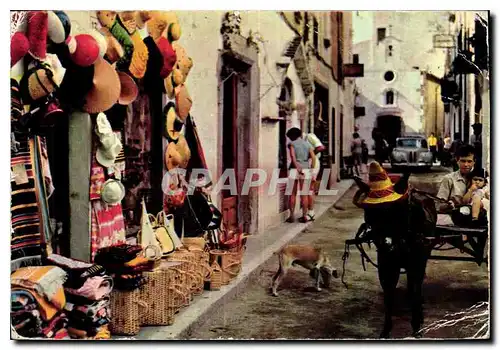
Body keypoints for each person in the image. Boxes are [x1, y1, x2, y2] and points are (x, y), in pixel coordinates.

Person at [286, 127, 316, 223]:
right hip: (306, 169)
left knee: (292, 193)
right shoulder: (307, 144)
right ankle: (304, 216)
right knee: (304, 194)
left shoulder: (292, 144)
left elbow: (292, 157)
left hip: (294, 169)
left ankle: (291, 216)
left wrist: (297, 167)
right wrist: (311, 168)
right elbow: (313, 157)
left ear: (292, 136)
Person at [436, 144, 476, 215]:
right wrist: (449, 205)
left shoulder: (480, 179)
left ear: (474, 162)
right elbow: (439, 205)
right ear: (457, 161)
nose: (466, 165)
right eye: (463, 161)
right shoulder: (449, 179)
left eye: (469, 161)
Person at [304, 132, 326, 221]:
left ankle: (311, 212)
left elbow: (321, 147)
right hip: (308, 163)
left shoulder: (309, 136)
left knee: (309, 189)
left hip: (312, 163)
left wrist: (311, 154)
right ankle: (309, 211)